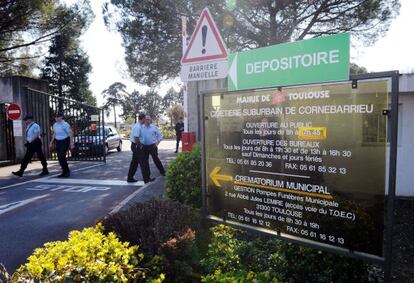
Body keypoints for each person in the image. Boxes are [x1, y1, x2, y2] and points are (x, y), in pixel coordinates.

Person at [127, 113, 154, 183]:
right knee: (144, 162)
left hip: (135, 146)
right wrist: (141, 146)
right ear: (142, 119)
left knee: (134, 163)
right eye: (145, 119)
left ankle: (130, 178)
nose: (145, 120)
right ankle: (147, 179)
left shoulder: (139, 126)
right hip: (137, 146)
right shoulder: (138, 127)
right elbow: (136, 137)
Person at [49, 112, 74, 178]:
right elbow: (54, 134)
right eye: (55, 117)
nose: (56, 118)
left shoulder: (65, 124)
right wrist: (51, 142)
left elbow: (70, 133)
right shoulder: (55, 125)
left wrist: (71, 143)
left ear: (61, 117)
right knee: (59, 157)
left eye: (58, 117)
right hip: (58, 141)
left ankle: (67, 171)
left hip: (64, 141)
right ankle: (64, 171)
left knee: (62, 155)